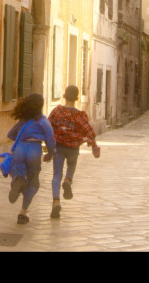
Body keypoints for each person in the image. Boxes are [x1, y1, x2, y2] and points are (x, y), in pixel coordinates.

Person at [44, 85, 101, 219]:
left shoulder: (57, 111)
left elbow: (47, 127)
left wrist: (48, 148)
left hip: (59, 147)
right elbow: (89, 131)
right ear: (76, 98)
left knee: (56, 174)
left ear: (64, 95)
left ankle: (56, 201)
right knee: (71, 165)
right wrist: (94, 145)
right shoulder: (79, 114)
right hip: (73, 148)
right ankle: (68, 180)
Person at [6, 93, 56, 224]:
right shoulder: (43, 121)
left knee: (19, 173)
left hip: (20, 149)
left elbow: (10, 134)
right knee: (34, 182)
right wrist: (50, 154)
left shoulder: (23, 121)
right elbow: (51, 139)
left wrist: (21, 138)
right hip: (34, 149)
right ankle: (23, 212)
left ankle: (18, 181)